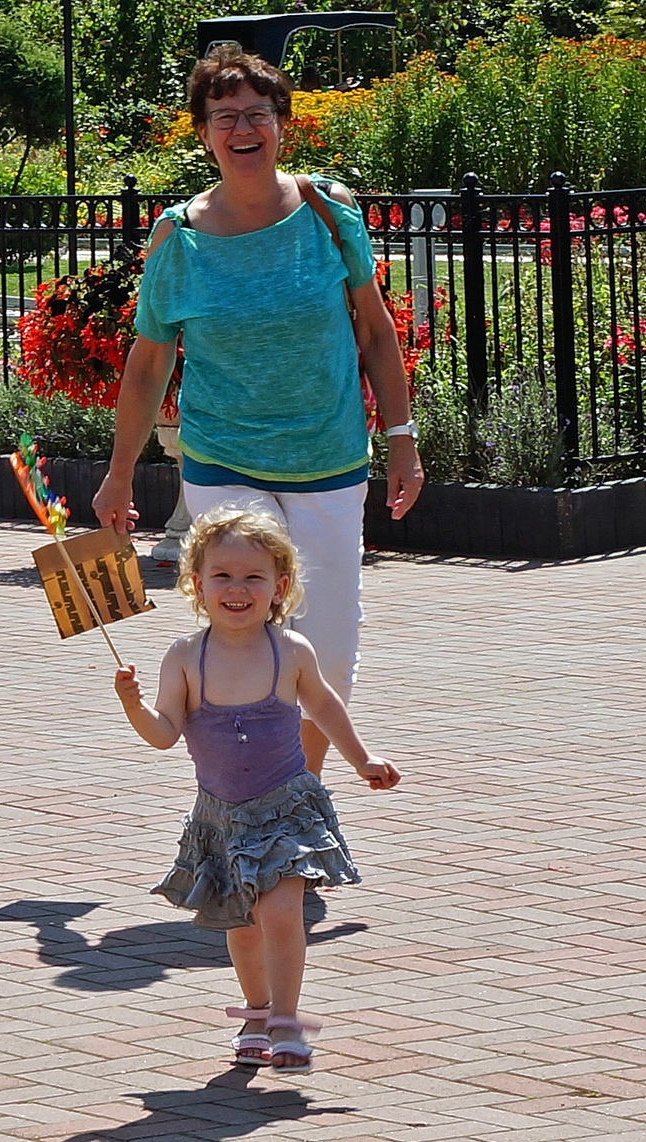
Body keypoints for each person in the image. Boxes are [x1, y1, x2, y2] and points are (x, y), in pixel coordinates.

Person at [94, 47, 424, 777]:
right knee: (241, 632)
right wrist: (119, 472)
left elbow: (374, 331)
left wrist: (402, 439)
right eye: (224, 117)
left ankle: (301, 797)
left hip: (327, 456)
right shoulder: (177, 238)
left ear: (280, 123)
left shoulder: (328, 212)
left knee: (326, 643)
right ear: (203, 133)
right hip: (224, 459)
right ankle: (249, 798)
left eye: (256, 114)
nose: (242, 129)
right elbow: (149, 362)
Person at [114, 506, 400, 1072]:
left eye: (254, 577)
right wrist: (133, 705)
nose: (238, 589)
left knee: (281, 912)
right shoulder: (184, 657)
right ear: (197, 584)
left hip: (286, 809)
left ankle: (287, 1021)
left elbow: (323, 706)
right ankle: (256, 1010)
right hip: (220, 816)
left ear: (280, 587)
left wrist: (362, 758)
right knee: (241, 926)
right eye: (222, 575)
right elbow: (164, 734)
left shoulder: (290, 650)